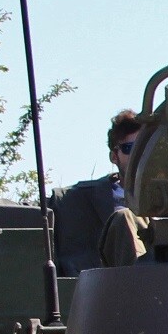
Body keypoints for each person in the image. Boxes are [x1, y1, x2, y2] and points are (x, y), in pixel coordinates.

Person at [50, 108, 140, 276]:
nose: (139, 155)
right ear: (114, 156)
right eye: (130, 148)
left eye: (146, 147)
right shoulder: (74, 202)